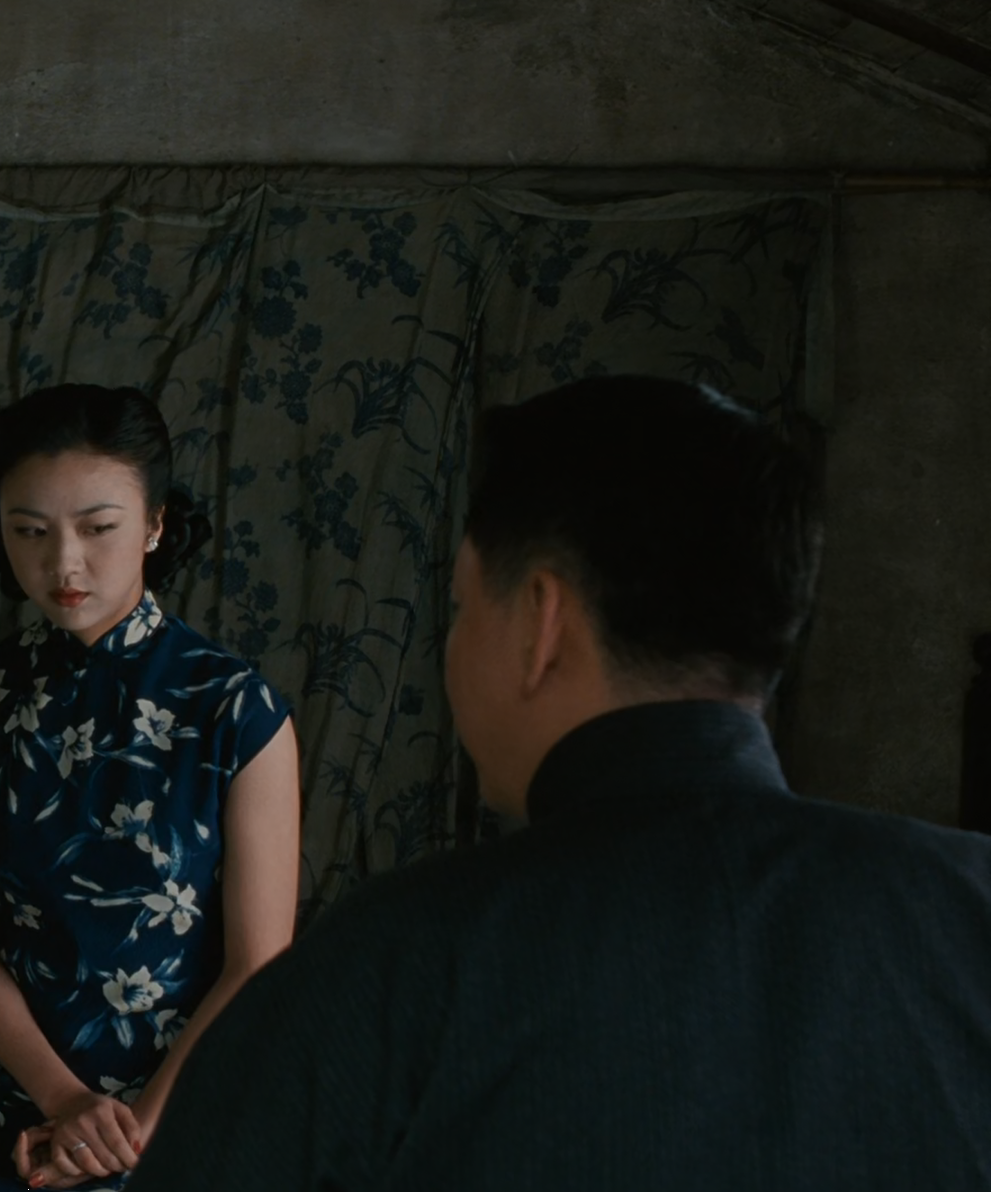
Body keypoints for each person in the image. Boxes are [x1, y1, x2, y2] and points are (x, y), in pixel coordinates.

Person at [131, 376, 991, 1191]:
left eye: (464, 607)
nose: (454, 646)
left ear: (542, 622)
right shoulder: (968, 907)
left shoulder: (387, 971)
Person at [0, 385, 303, 1192]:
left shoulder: (236, 712)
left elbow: (257, 963)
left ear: (154, 525)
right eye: (30, 531)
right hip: (20, 1080)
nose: (63, 563)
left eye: (98, 528)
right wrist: (65, 1100)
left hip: (193, 1081)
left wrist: (128, 1135)